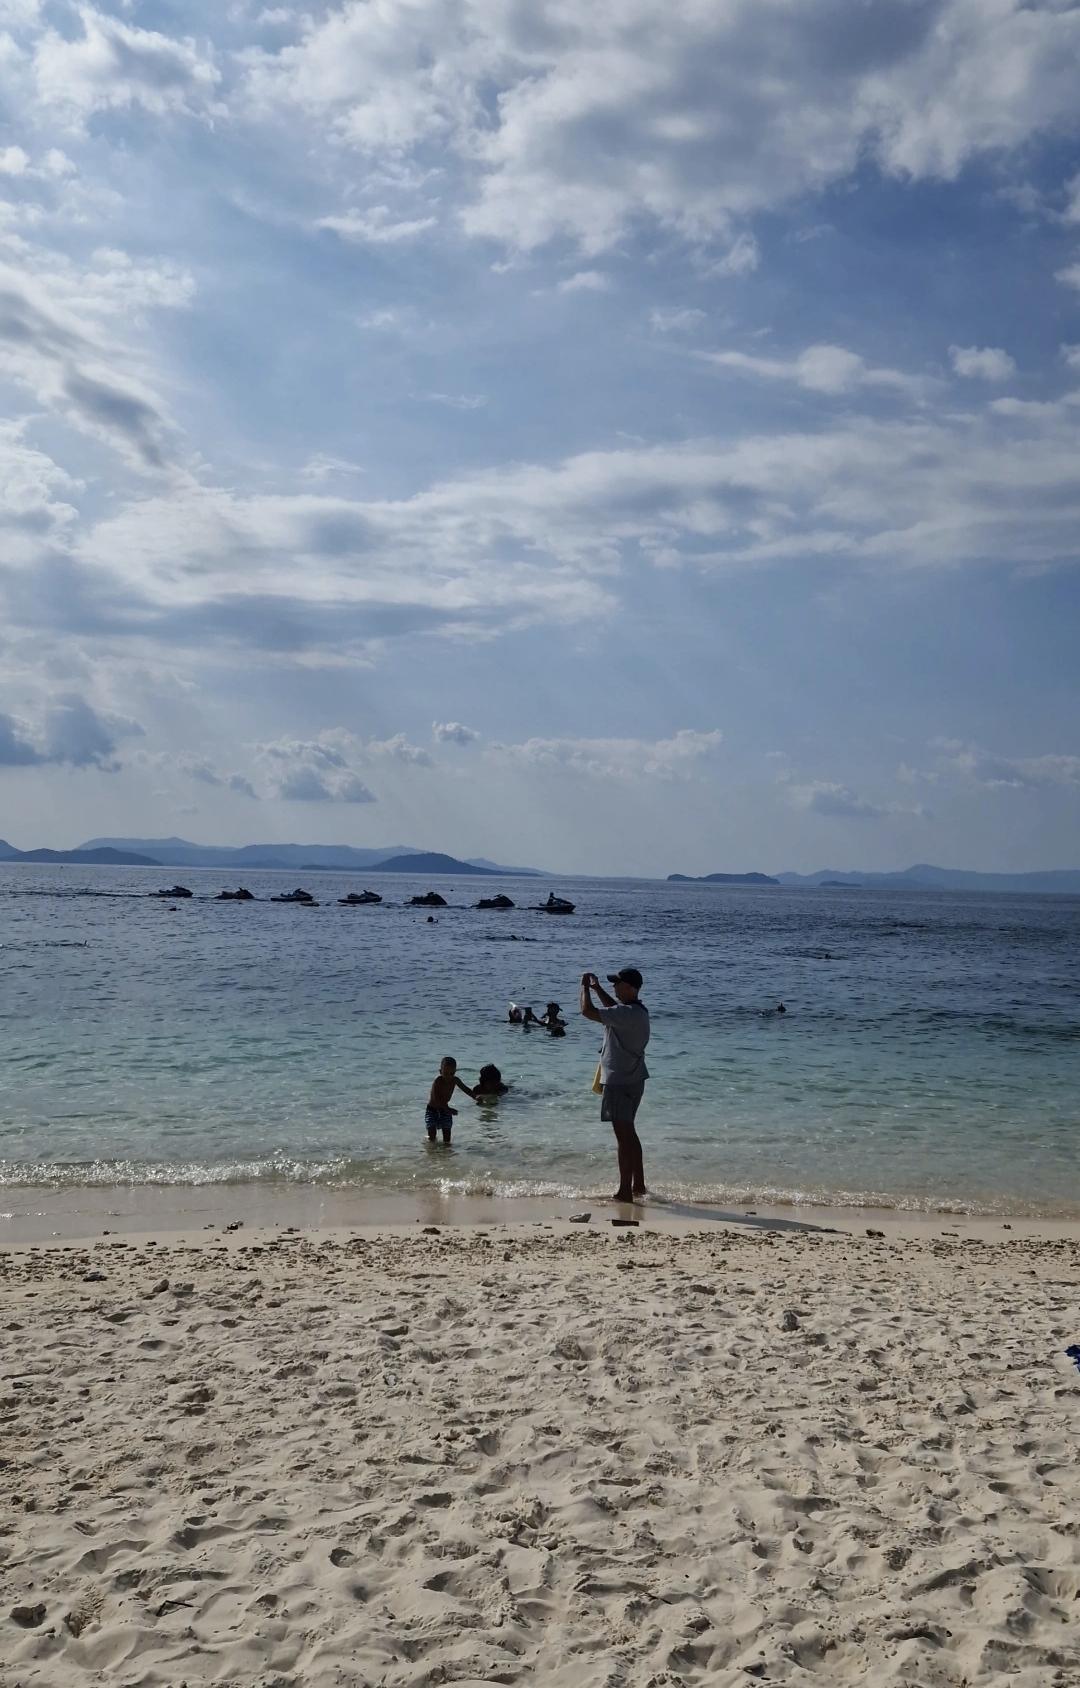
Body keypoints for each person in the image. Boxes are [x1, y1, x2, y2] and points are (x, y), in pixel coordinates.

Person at [580, 967, 650, 1203]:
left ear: (630, 987)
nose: (614, 987)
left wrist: (583, 989)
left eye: (618, 984)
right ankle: (638, 1185)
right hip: (635, 1078)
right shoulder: (637, 1012)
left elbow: (587, 1011)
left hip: (619, 1081)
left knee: (624, 1137)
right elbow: (613, 1010)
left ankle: (625, 1191)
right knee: (630, 1134)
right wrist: (597, 988)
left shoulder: (626, 1013)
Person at [425, 1056, 476, 1143]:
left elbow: (465, 1089)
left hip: (445, 1110)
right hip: (432, 1110)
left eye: (451, 1073)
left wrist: (475, 1097)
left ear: (455, 1072)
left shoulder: (455, 1080)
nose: (449, 1076)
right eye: (446, 1073)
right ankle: (431, 1151)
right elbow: (436, 1099)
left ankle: (446, 1152)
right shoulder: (438, 1081)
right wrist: (448, 1109)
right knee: (432, 1134)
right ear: (440, 1072)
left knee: (447, 1135)